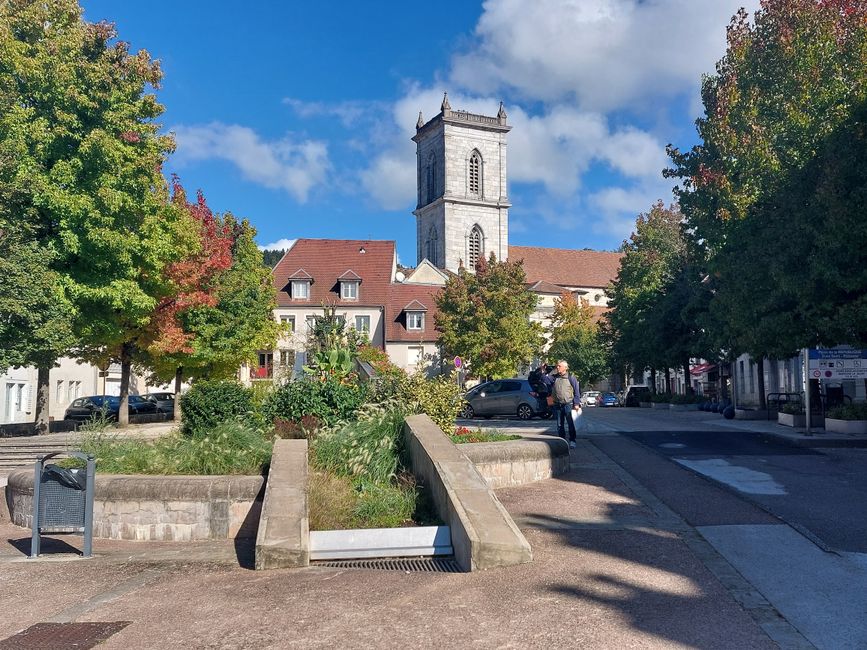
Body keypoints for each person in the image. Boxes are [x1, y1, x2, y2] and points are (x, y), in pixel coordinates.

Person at [550, 359, 581, 448]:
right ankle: (562, 441)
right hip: (558, 404)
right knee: (559, 424)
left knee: (570, 423)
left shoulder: (571, 377)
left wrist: (576, 403)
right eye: (557, 366)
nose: (557, 367)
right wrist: (543, 370)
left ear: (565, 368)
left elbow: (576, 391)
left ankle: (572, 440)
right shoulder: (555, 377)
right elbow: (546, 379)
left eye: (559, 366)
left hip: (568, 404)